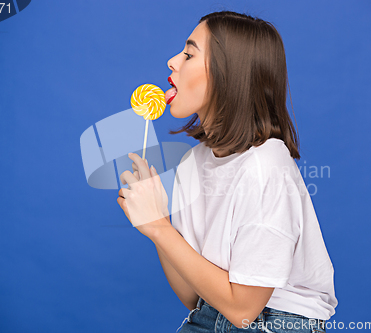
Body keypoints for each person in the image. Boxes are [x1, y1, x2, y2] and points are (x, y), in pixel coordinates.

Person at [117, 10, 337, 333]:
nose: (172, 61)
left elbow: (244, 311)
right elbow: (195, 297)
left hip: (277, 323)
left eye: (189, 54)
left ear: (227, 75)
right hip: (209, 316)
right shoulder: (192, 163)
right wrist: (157, 224)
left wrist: (161, 228)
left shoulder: (267, 168)